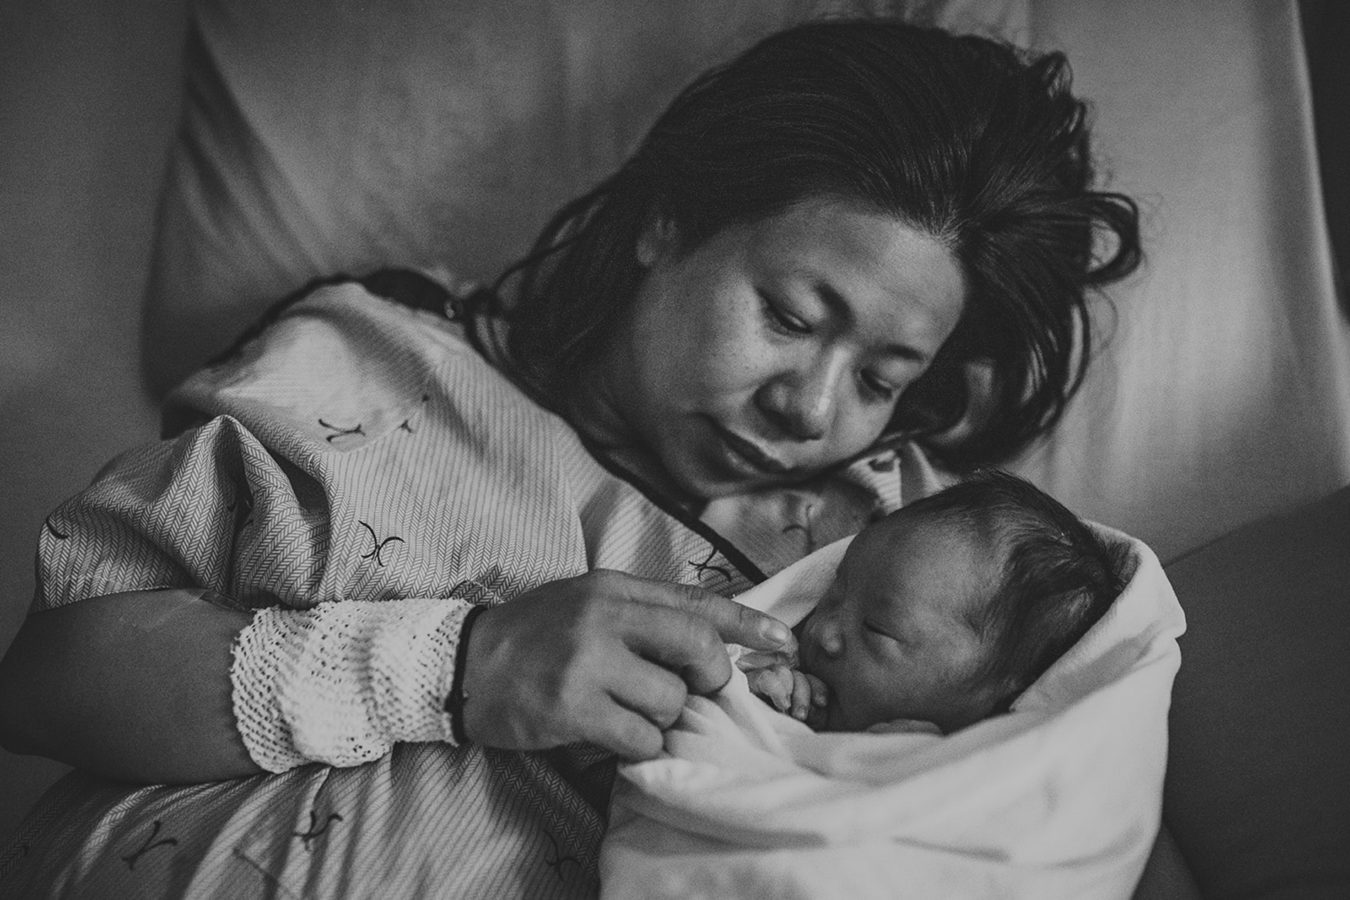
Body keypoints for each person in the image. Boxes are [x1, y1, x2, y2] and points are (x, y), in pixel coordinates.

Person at [0, 17, 1140, 899]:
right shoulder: (371, 367)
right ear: (667, 223)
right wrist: (457, 668)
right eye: (791, 317)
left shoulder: (912, 549)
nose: (813, 407)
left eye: (883, 379)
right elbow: (48, 684)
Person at [739, 469, 1127, 735]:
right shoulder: (794, 681)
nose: (823, 631)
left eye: (877, 629)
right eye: (832, 594)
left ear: (998, 697)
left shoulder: (973, 770)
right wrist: (760, 702)